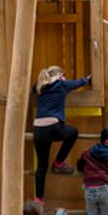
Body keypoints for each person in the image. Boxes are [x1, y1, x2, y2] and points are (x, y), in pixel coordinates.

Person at [31, 65, 91, 203]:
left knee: (41, 165)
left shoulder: (40, 86)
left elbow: (34, 87)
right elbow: (78, 83)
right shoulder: (61, 84)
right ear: (59, 75)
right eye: (64, 76)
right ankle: (58, 162)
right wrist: (88, 79)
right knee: (73, 133)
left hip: (38, 129)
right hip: (53, 127)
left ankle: (39, 198)